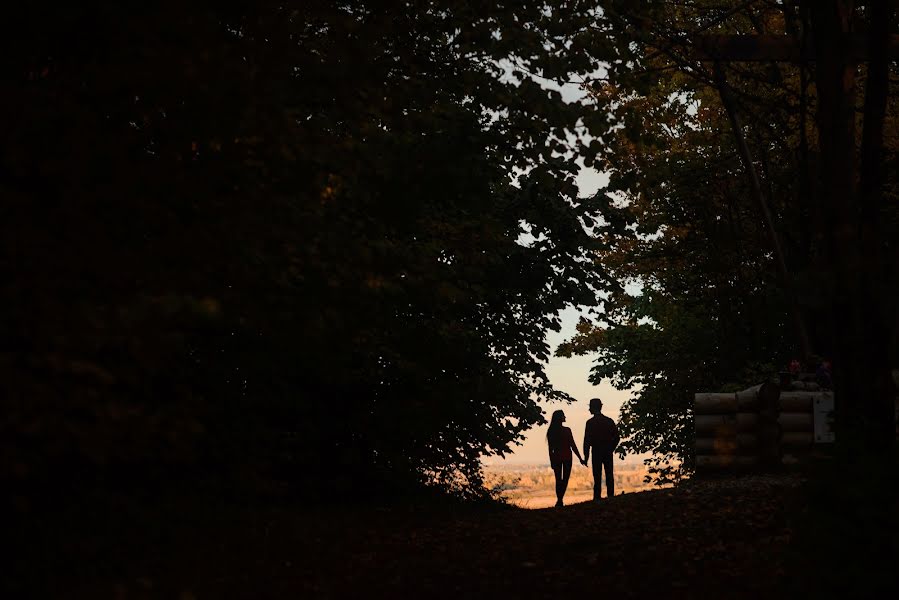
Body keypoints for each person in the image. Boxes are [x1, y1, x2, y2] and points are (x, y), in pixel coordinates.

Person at [583, 398, 619, 501]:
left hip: (596, 452)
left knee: (597, 477)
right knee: (609, 475)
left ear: (593, 408)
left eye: (590, 407)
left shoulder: (590, 423)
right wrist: (611, 448)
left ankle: (597, 498)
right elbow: (616, 437)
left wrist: (586, 457)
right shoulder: (609, 421)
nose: (589, 409)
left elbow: (587, 441)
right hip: (607, 451)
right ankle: (611, 496)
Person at [546, 409, 584, 507]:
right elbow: (573, 445)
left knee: (558, 479)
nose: (565, 417)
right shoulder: (567, 430)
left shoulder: (551, 431)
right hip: (567, 457)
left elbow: (550, 449)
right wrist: (580, 458)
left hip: (557, 458)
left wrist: (551, 461)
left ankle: (559, 500)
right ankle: (560, 499)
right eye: (563, 415)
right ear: (560, 418)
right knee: (565, 480)